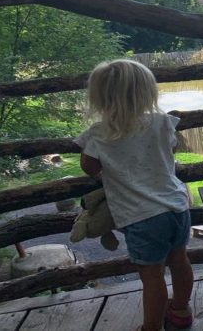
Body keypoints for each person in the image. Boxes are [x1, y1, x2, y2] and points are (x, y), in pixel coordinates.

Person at [76, 59, 194, 331]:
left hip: (142, 216)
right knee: (180, 260)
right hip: (177, 207)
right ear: (146, 92)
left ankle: (151, 328)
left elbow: (88, 165)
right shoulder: (163, 122)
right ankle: (180, 311)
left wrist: (106, 177)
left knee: (152, 277)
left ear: (101, 96)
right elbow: (170, 151)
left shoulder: (99, 132)